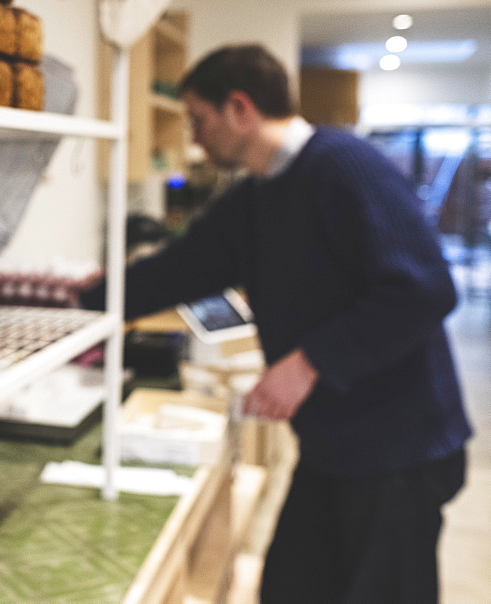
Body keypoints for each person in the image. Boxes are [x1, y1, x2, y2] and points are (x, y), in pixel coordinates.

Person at [82, 44, 471, 603]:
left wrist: (309, 363)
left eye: (199, 119)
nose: (193, 138)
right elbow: (180, 271)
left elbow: (423, 289)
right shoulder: (254, 199)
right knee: (291, 586)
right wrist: (79, 302)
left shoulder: (346, 168)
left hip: (398, 448)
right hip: (333, 444)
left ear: (240, 107)